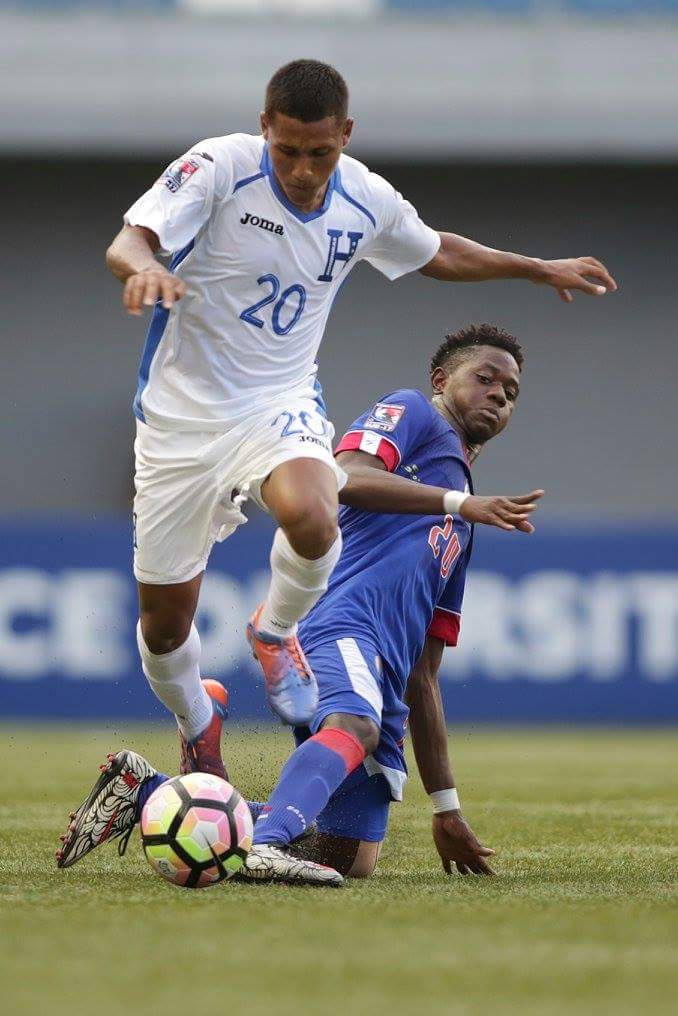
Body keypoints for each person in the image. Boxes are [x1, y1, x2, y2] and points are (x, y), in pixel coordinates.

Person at [107, 57, 612, 783]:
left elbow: (437, 251)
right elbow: (129, 239)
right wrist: (143, 270)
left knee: (316, 515)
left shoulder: (364, 197)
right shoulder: (220, 166)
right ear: (264, 130)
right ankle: (198, 718)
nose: (304, 171)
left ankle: (274, 633)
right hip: (178, 425)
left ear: (345, 134)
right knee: (162, 631)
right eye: (287, 151)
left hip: (277, 403)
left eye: (321, 152)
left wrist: (536, 267)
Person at [58, 324, 539, 885]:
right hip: (338, 620)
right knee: (352, 727)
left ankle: (144, 793)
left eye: (511, 392)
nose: (499, 395)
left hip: (385, 670)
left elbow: (426, 674)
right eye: (485, 378)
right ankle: (263, 842)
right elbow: (342, 477)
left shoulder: (463, 522)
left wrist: (446, 806)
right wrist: (463, 502)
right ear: (441, 379)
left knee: (347, 856)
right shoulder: (414, 414)